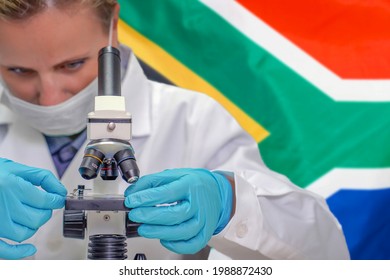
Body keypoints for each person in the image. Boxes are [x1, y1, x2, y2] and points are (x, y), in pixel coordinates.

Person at [0, 0, 350, 260]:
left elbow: (325, 252)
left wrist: (230, 204)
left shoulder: (191, 120)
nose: (49, 97)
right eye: (18, 71)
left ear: (114, 26)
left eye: (72, 64)